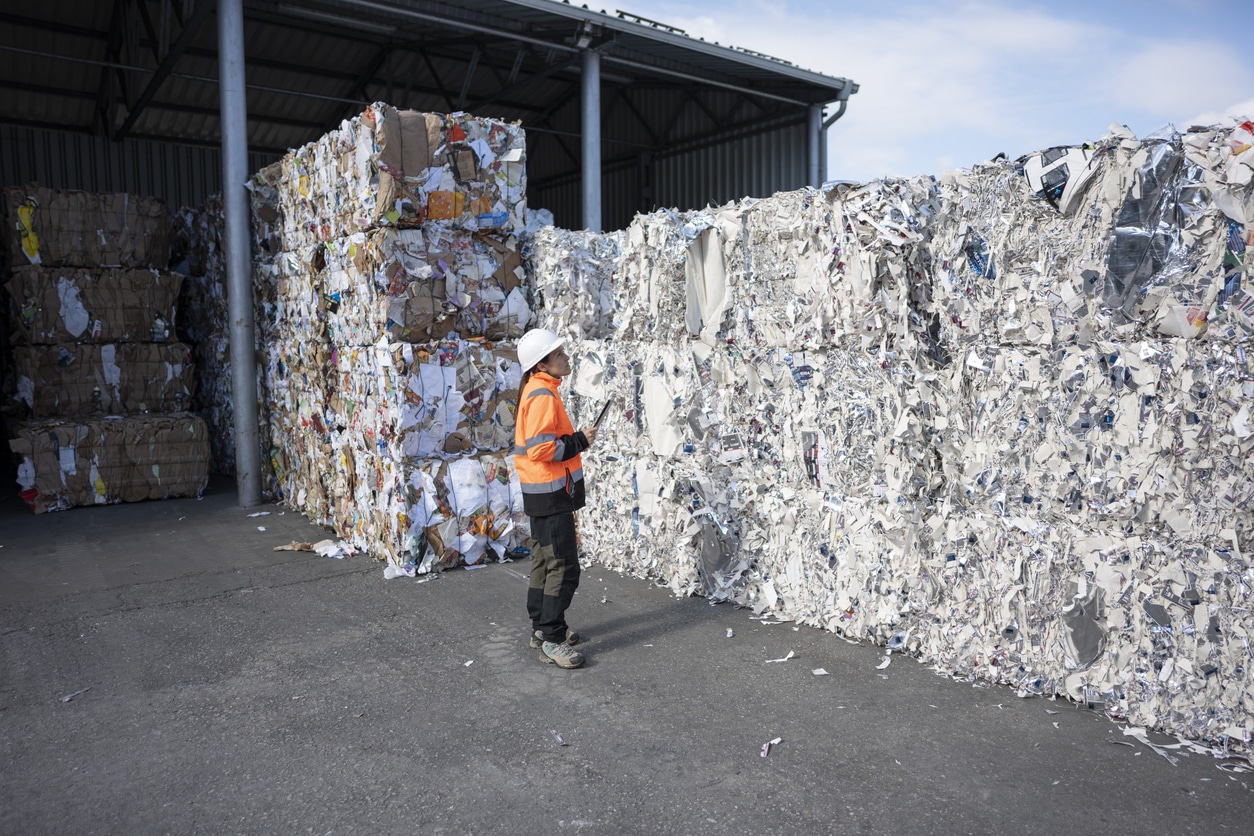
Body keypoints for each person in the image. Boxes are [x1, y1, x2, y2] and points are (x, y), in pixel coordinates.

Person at [513, 328, 598, 669]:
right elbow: (541, 449)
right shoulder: (543, 396)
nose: (566, 358)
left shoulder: (538, 390)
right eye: (559, 355)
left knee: (544, 562)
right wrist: (580, 441)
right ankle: (552, 637)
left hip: (541, 492)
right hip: (550, 493)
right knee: (564, 566)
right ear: (542, 363)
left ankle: (542, 627)